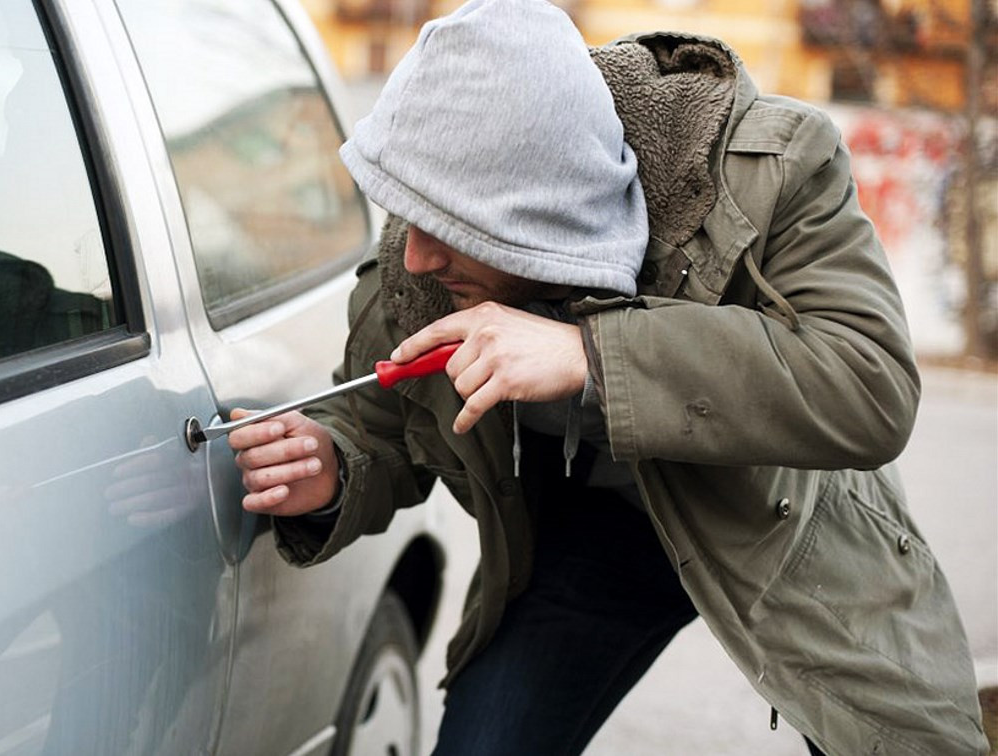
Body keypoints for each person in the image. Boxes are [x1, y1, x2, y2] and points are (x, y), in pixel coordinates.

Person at [229, 1, 989, 753]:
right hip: (590, 545)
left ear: (540, 214)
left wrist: (590, 355)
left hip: (785, 526)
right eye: (410, 216)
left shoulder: (771, 168)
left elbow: (867, 385)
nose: (419, 256)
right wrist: (332, 467)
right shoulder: (420, 256)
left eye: (451, 228)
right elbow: (381, 421)